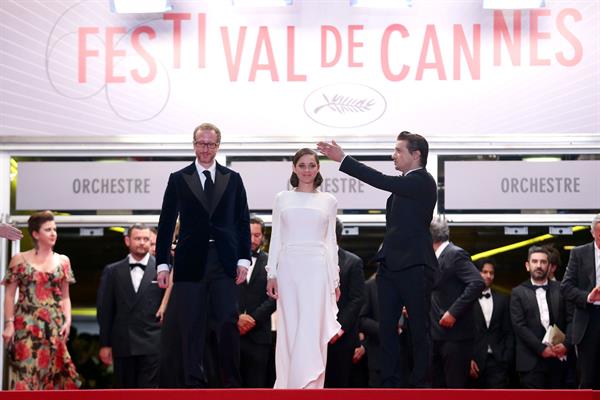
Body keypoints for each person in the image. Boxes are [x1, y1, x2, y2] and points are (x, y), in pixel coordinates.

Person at [318, 132, 438, 387]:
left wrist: (344, 160)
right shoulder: (404, 185)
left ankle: (421, 385)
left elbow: (380, 180)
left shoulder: (423, 181)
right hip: (390, 267)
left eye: (398, 150)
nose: (393, 155)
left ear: (416, 155)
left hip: (416, 266)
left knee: (418, 328)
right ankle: (390, 383)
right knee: (386, 328)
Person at [155, 122, 251, 388]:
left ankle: (231, 383)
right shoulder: (178, 178)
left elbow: (242, 221)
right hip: (189, 262)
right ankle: (192, 384)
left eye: (210, 144)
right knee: (191, 325)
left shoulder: (233, 178)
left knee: (226, 323)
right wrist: (162, 263)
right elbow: (165, 223)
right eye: (201, 143)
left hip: (224, 261)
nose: (205, 148)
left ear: (218, 146)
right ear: (194, 144)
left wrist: (244, 259)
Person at [265, 147, 341, 389]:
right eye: (302, 165)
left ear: (318, 168)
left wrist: (335, 281)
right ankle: (288, 385)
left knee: (312, 325)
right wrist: (271, 273)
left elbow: (331, 243)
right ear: (294, 168)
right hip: (288, 268)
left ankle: (311, 386)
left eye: (312, 165)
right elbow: (276, 236)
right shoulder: (282, 198)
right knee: (290, 325)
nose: (307, 170)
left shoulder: (328, 201)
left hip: (318, 269)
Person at [1, 210, 80, 389]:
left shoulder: (63, 261)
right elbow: (9, 294)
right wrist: (9, 323)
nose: (53, 233)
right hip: (26, 325)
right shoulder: (18, 260)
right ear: (36, 234)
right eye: (48, 229)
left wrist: (68, 320)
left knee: (54, 373)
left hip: (53, 325)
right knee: (25, 372)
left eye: (55, 229)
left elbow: (66, 296)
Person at [96, 224, 163, 388]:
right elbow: (105, 310)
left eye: (146, 239)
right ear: (127, 241)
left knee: (151, 394)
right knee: (124, 392)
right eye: (137, 238)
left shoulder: (163, 269)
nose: (142, 242)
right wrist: (105, 344)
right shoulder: (112, 271)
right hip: (123, 343)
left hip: (153, 342)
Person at [430, 217, 485, 388]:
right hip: (436, 337)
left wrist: (453, 312)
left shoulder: (455, 254)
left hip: (455, 338)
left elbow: (477, 282)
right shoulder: (434, 257)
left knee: (454, 389)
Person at [510, 246, 569, 389]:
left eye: (543, 262)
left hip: (559, 359)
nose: (539, 265)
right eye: (535, 261)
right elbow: (519, 326)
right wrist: (541, 349)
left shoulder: (562, 289)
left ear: (549, 266)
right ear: (527, 265)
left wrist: (567, 345)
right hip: (530, 362)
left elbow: (572, 320)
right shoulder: (517, 292)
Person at [560, 214, 600, 389]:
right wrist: (587, 297)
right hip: (588, 319)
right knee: (587, 378)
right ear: (593, 233)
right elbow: (566, 287)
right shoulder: (579, 253)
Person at [325, 218, 365, 388]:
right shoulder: (310, 261)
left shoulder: (353, 262)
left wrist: (338, 329)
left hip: (342, 337)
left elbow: (357, 300)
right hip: (314, 337)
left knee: (339, 385)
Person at [238, 216, 276, 387]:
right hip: (231, 333)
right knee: (230, 387)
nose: (252, 240)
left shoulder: (272, 263)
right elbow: (220, 292)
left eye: (257, 235)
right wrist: (236, 317)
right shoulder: (227, 259)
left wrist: (252, 319)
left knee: (258, 387)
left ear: (263, 236)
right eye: (249, 235)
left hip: (260, 336)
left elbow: (275, 296)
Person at [470, 258, 513, 388]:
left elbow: (509, 331)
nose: (488, 276)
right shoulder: (466, 300)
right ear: (477, 273)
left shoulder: (503, 299)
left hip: (498, 361)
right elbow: (462, 332)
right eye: (484, 272)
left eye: (491, 273)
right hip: (474, 362)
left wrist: (506, 357)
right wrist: (467, 359)